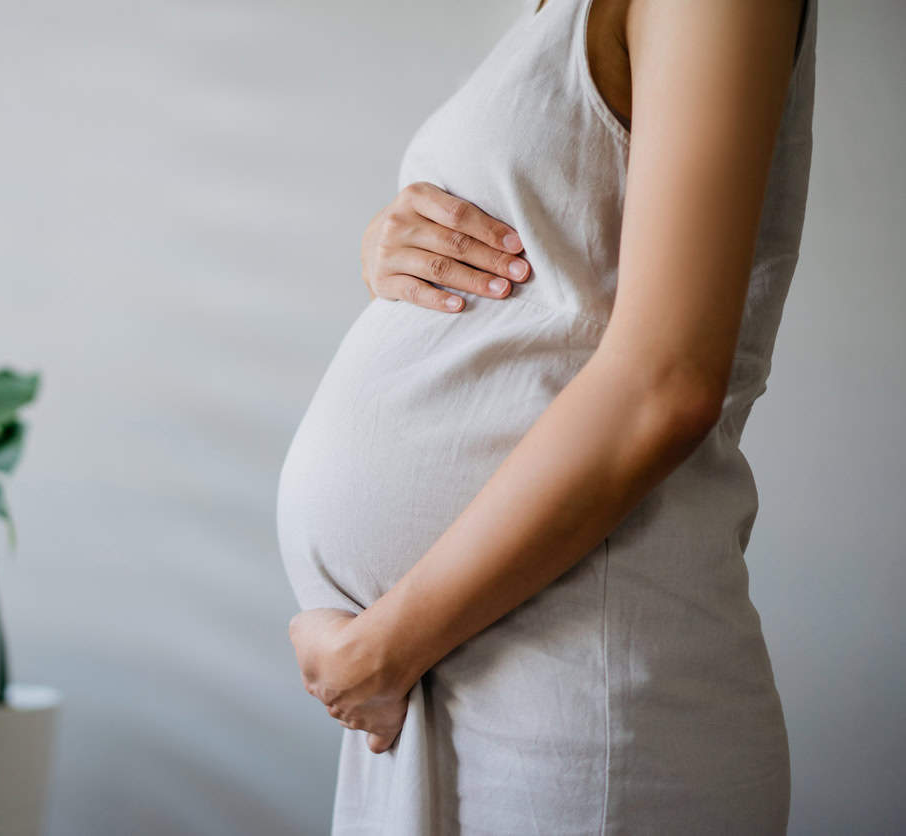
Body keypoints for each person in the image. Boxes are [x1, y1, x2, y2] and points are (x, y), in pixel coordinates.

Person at [275, 0, 816, 832]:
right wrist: (395, 251)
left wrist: (384, 651)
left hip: (575, 709)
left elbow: (665, 380)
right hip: (446, 679)